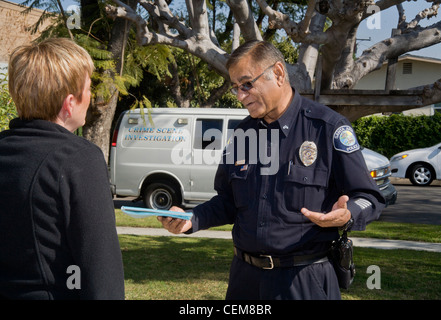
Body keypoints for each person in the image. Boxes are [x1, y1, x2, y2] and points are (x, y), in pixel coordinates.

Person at [158, 40, 385, 300]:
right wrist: (191, 219)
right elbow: (228, 202)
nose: (241, 96)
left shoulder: (327, 128)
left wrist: (348, 215)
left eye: (247, 84)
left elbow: (370, 198)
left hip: (303, 280)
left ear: (277, 73)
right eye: (235, 88)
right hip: (245, 281)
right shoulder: (242, 134)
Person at [0, 38, 125, 299]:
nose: (91, 98)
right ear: (70, 102)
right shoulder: (78, 159)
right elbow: (101, 269)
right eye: (89, 89)